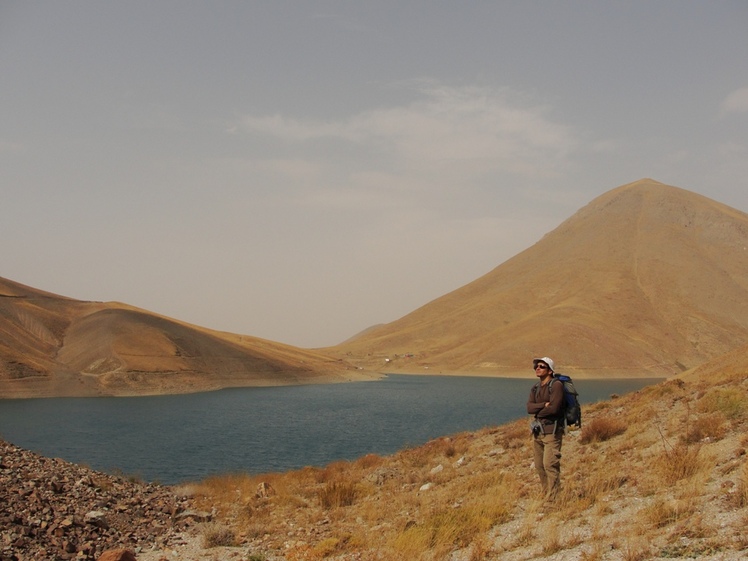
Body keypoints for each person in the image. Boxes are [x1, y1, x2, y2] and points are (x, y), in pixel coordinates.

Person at [526, 356, 564, 501]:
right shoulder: (535, 387)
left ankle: (554, 499)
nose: (537, 368)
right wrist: (543, 405)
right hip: (538, 432)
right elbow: (529, 408)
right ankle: (546, 493)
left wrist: (537, 410)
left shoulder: (556, 385)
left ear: (550, 370)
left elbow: (554, 409)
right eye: (536, 366)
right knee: (539, 465)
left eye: (542, 366)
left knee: (550, 464)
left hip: (552, 432)